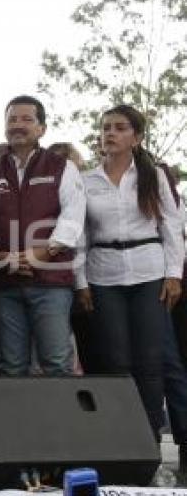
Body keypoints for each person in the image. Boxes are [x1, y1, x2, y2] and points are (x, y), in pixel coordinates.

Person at [76, 104, 184, 440]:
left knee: (151, 360)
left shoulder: (152, 177)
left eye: (120, 127)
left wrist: (174, 274)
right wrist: (80, 281)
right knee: (116, 359)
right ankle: (124, 436)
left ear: (136, 137)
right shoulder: (85, 180)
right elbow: (80, 234)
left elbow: (171, 225)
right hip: (103, 273)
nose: (111, 133)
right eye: (106, 126)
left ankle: (150, 437)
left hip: (149, 271)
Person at [0, 95, 86, 376]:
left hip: (51, 282)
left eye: (27, 119)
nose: (18, 125)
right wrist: (1, 257)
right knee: (11, 366)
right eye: (12, 119)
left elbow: (71, 220)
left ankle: (63, 422)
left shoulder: (62, 167)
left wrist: (38, 255)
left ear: (41, 128)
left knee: (56, 362)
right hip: (4, 282)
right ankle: (15, 423)